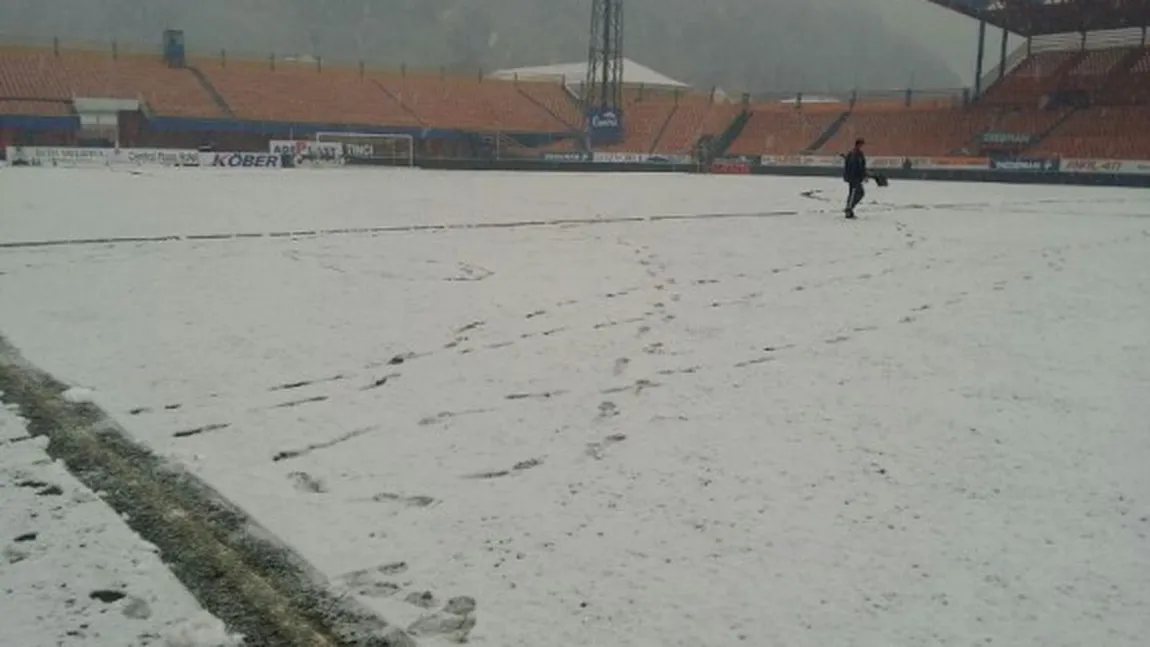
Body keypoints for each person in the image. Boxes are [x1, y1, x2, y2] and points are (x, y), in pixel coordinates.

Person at [842, 138, 868, 219]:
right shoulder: (855, 154)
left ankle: (849, 209)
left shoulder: (858, 154)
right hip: (854, 178)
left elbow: (861, 166)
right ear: (858, 144)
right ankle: (849, 209)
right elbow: (855, 167)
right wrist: (854, 177)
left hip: (855, 177)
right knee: (857, 193)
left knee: (853, 194)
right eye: (861, 144)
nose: (862, 146)